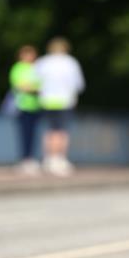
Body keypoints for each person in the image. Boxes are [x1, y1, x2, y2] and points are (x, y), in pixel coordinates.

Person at [35, 38, 85, 176]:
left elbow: (35, 81)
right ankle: (60, 159)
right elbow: (79, 84)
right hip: (64, 100)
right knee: (62, 131)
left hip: (46, 100)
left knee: (50, 130)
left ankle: (48, 158)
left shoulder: (42, 62)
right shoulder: (71, 62)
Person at [8, 45, 41, 174]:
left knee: (33, 133)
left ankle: (31, 158)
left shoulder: (37, 68)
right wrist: (34, 88)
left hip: (36, 105)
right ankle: (24, 159)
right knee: (24, 133)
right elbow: (20, 86)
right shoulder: (18, 68)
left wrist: (32, 87)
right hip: (22, 106)